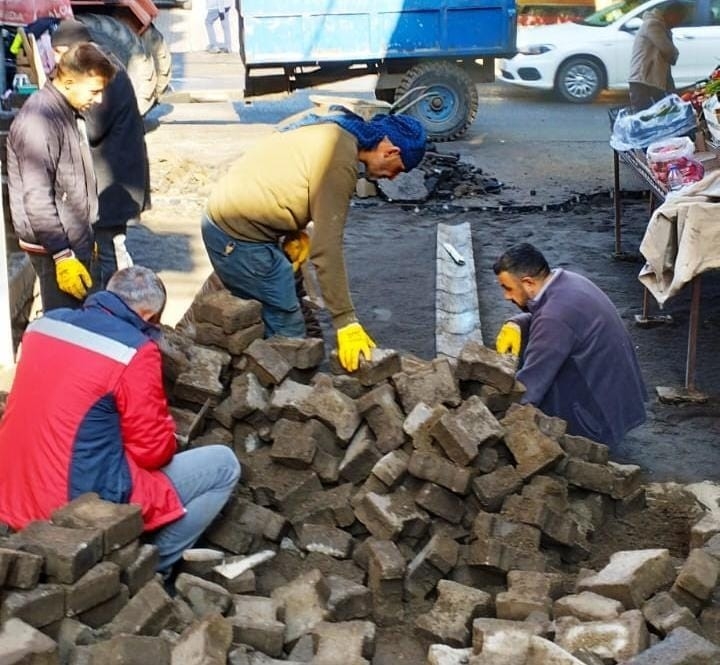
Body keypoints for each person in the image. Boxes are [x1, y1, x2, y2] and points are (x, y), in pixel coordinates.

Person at [0, 266, 240, 572]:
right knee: (224, 465)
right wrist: (166, 426)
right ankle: (149, 570)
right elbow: (153, 452)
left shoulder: (44, 327)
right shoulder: (133, 351)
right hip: (68, 508)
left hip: (10, 489)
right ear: (149, 316)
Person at [201, 110, 427, 372]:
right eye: (397, 170)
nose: (393, 177)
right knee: (289, 329)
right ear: (390, 151)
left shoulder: (337, 131)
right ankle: (286, 399)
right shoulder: (339, 158)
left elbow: (286, 173)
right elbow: (326, 249)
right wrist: (345, 321)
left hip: (237, 223)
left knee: (287, 290)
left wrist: (290, 228)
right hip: (236, 235)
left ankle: (264, 368)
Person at [494, 243, 646, 447]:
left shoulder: (554, 317)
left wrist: (494, 423)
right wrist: (516, 323)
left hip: (600, 420)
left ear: (528, 282)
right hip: (622, 401)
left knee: (533, 395)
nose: (506, 296)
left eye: (508, 288)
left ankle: (589, 439)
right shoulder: (567, 281)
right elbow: (548, 317)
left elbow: (531, 386)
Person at [7, 42, 115, 312]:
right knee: (64, 328)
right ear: (68, 81)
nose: (99, 99)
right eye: (94, 91)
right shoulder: (39, 122)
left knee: (78, 322)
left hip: (72, 237)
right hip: (55, 249)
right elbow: (37, 198)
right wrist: (62, 255)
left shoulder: (66, 111)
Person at [50, 19, 150, 289]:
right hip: (115, 177)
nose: (58, 61)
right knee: (108, 248)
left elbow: (92, 129)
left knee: (109, 253)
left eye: (59, 53)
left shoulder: (100, 74)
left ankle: (115, 304)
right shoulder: (105, 63)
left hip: (114, 180)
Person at [628, 1, 690, 112]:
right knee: (646, 117)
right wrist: (674, 54)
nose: (679, 23)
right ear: (671, 15)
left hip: (652, 81)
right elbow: (668, 50)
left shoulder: (663, 27)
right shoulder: (653, 25)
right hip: (643, 80)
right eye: (679, 19)